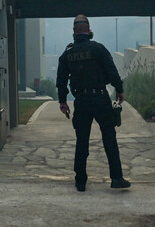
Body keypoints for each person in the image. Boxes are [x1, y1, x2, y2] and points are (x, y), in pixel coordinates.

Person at [56, 14, 131, 192]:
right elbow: (112, 71)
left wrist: (62, 102)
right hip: (100, 99)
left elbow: (61, 80)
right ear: (89, 29)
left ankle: (80, 181)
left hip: (81, 101)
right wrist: (119, 90)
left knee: (82, 141)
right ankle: (116, 178)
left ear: (74, 31)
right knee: (109, 139)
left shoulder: (68, 53)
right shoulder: (98, 49)